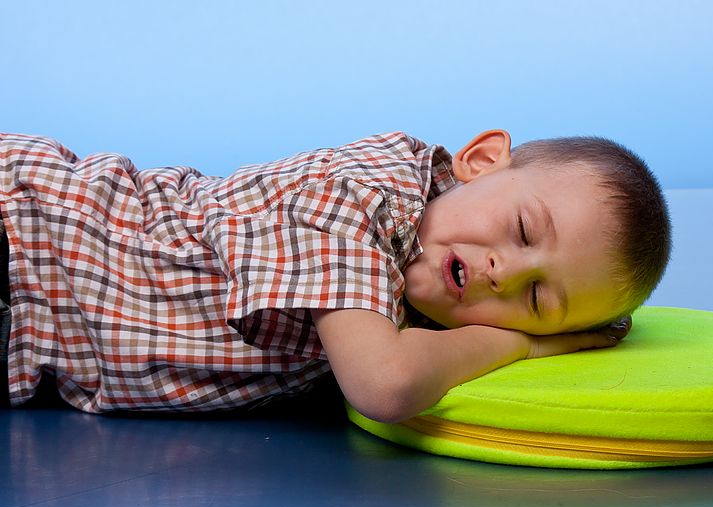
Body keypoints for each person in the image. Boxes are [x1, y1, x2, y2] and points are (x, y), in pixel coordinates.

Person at [0, 129, 670, 420]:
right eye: (524, 231)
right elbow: (384, 384)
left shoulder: (418, 307)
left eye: (537, 298)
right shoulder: (358, 195)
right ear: (481, 159)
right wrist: (524, 341)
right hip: (21, 236)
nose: (504, 271)